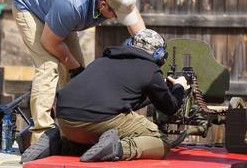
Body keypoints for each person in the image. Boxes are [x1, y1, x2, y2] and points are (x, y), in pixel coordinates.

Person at [12, 0, 146, 146]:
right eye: (114, 14)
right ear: (102, 5)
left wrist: (149, 54)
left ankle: (72, 129)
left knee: (77, 75)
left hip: (59, 16)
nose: (115, 18)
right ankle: (41, 138)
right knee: (48, 66)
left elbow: (138, 29)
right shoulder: (72, 5)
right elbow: (50, 42)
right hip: (31, 10)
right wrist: (74, 67)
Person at [20, 29, 190, 163]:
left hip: (65, 120)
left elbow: (122, 100)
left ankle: (58, 145)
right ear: (160, 55)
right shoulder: (150, 70)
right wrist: (179, 87)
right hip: (97, 120)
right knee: (161, 142)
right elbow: (171, 107)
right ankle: (118, 148)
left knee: (95, 141)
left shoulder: (103, 60)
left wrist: (159, 90)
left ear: (129, 44)